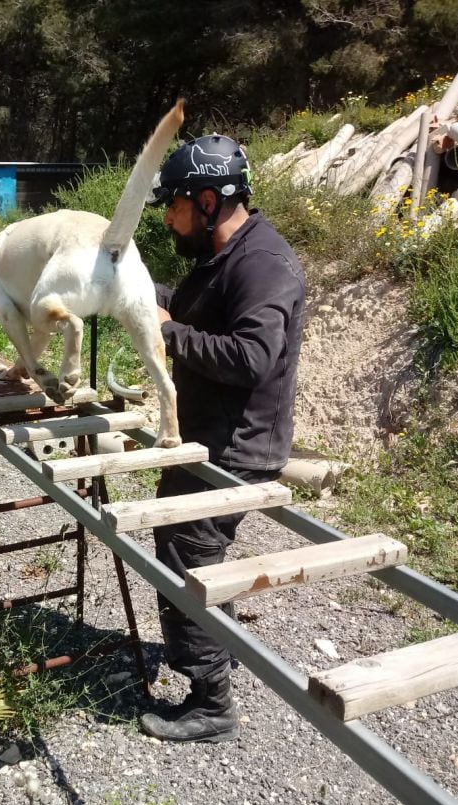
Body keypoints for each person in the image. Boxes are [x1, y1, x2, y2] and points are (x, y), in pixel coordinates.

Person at [139, 134, 306, 743]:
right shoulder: (222, 255)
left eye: (176, 204)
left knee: (189, 556)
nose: (168, 216)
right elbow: (180, 304)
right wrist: (134, 294)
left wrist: (171, 334)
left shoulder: (262, 263)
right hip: (206, 435)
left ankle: (213, 702)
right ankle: (219, 653)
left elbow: (253, 357)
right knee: (189, 548)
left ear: (208, 200)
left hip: (237, 447)